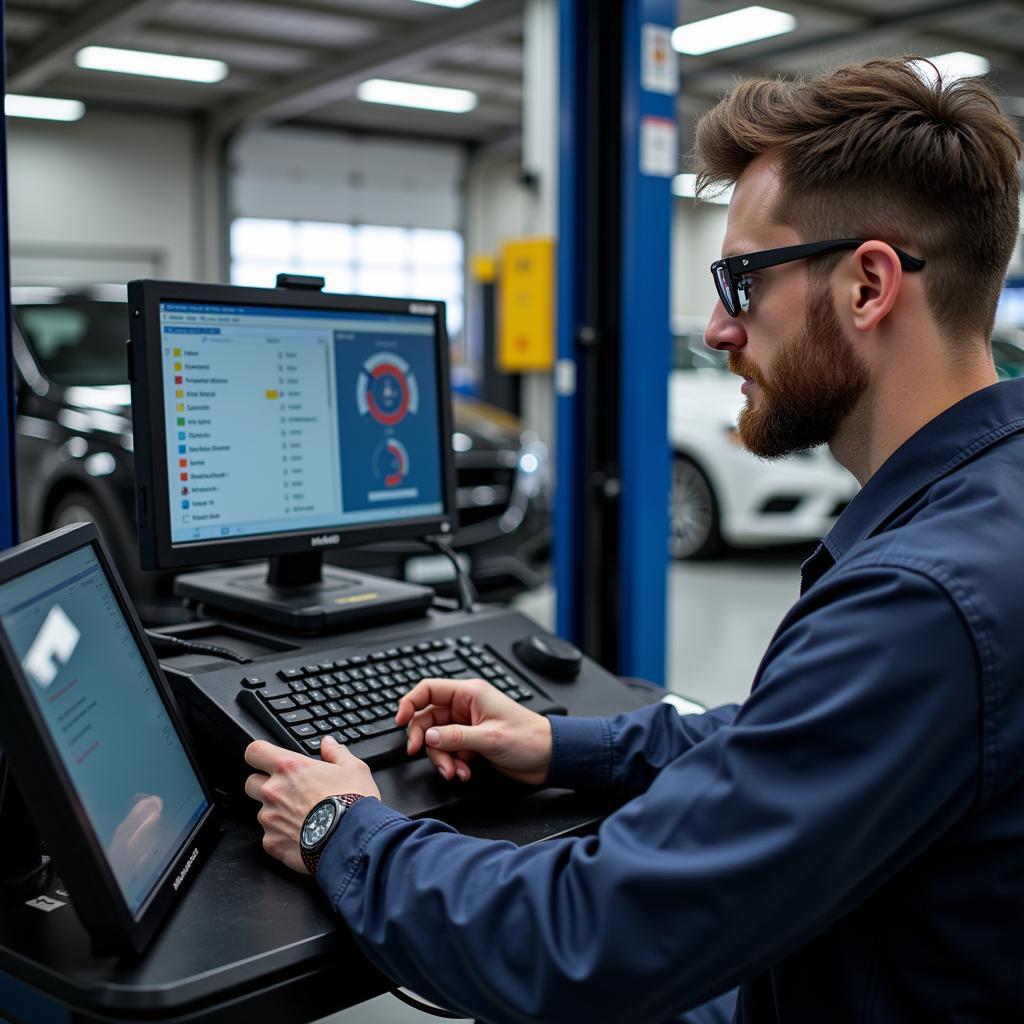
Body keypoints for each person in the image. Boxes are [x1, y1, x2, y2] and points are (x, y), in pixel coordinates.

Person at [243, 56, 1024, 1022]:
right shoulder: (993, 501)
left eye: (740, 281)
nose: (715, 329)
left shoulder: (925, 598)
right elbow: (792, 738)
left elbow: (585, 940)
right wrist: (564, 745)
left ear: (869, 286)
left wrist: (339, 825)